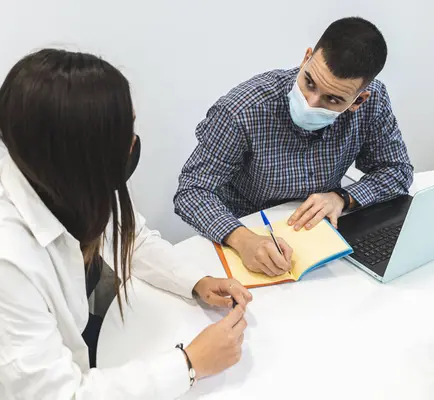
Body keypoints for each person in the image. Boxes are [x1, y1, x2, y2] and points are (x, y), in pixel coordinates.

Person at [0, 48, 252, 399]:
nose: (133, 144)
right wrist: (188, 364)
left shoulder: (63, 182)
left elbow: (132, 240)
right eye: (123, 132)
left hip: (63, 355)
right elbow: (60, 395)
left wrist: (196, 281)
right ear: (81, 151)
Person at [174, 17, 413, 277]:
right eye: (309, 82)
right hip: (246, 232)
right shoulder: (243, 111)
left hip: (323, 236)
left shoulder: (373, 101)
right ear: (306, 58)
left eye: (332, 99)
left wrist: (342, 198)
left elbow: (397, 170)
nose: (311, 103)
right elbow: (192, 190)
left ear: (358, 100)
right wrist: (242, 239)